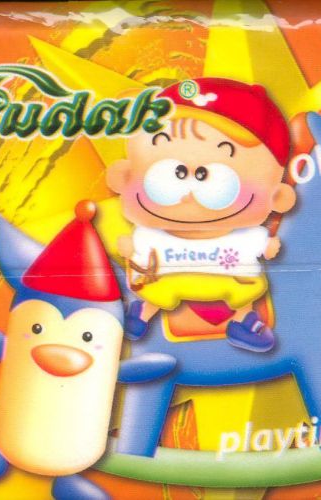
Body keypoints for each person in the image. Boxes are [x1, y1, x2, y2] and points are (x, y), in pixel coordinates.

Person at [107, 78, 296, 352]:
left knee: (246, 289)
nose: (190, 184)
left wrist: (267, 246)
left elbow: (261, 246)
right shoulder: (152, 234)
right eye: (175, 169)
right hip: (167, 277)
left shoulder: (244, 236)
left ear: (277, 197)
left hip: (230, 278)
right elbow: (135, 245)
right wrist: (130, 246)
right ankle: (141, 314)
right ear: (124, 177)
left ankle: (244, 321)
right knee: (154, 290)